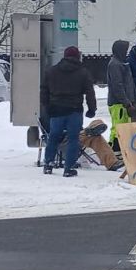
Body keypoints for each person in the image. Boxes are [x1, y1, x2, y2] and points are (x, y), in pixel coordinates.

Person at [41, 46, 97, 177]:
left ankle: (48, 164)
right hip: (74, 111)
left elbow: (44, 90)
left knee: (53, 137)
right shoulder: (83, 73)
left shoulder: (51, 71)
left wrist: (46, 107)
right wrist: (91, 109)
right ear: (77, 56)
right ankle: (68, 168)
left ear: (65, 56)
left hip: (56, 110)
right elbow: (90, 93)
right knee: (73, 139)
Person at [107, 39, 136, 152]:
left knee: (123, 127)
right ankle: (115, 151)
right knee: (118, 128)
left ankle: (119, 150)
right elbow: (117, 86)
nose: (127, 52)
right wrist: (126, 102)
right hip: (118, 103)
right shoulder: (115, 64)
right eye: (125, 50)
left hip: (123, 103)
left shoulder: (122, 63)